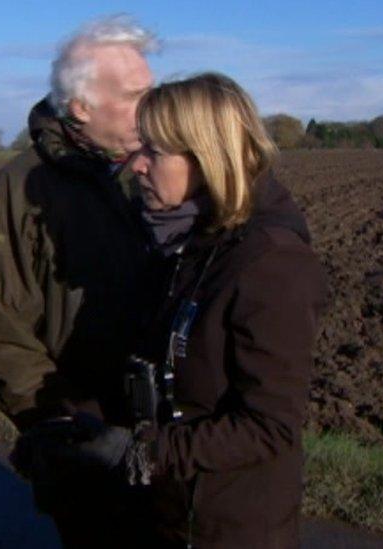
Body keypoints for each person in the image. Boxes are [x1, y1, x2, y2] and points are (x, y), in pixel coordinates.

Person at [0, 14, 163, 546]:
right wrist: (63, 425)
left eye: (153, 90)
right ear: (81, 107)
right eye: (135, 94)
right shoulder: (22, 189)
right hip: (88, 447)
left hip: (173, 442)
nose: (154, 107)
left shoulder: (164, 169)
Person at [115, 72, 327, 547]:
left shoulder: (272, 264)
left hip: (231, 526)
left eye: (155, 152)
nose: (137, 166)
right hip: (178, 511)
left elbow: (270, 426)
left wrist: (149, 450)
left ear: (207, 155)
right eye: (138, 147)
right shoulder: (187, 243)